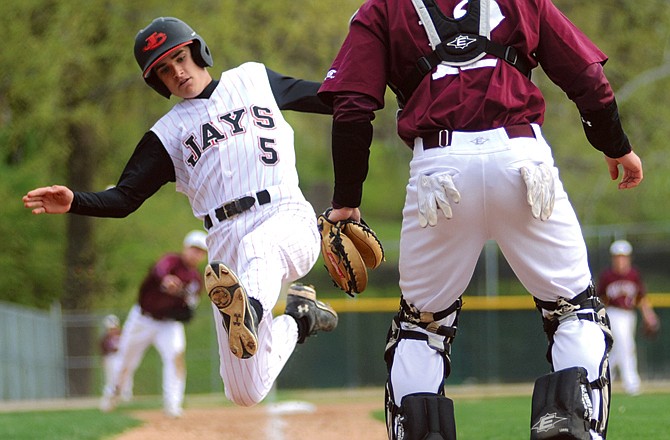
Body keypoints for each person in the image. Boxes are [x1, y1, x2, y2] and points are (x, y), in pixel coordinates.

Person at [318, 1, 643, 439]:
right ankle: (567, 417)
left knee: (421, 327)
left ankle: (421, 432)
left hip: (439, 170)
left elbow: (353, 108)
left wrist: (346, 199)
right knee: (574, 311)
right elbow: (586, 76)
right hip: (522, 160)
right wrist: (614, 143)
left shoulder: (383, 8)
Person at [23, 17, 338, 408]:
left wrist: (387, 85)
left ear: (198, 51)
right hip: (224, 244)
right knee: (245, 392)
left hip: (284, 215)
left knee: (261, 245)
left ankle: (251, 310)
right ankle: (300, 317)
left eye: (179, 57)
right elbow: (125, 198)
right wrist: (76, 200)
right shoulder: (168, 132)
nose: (177, 71)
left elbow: (330, 96)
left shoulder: (253, 80)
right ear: (158, 82)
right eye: (164, 70)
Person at [99, 230, 208, 417]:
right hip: (142, 319)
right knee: (126, 360)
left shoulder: (196, 280)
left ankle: (173, 404)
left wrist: (185, 305)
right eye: (193, 248)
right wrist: (167, 279)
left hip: (168, 324)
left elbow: (190, 306)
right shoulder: (171, 261)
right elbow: (159, 270)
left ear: (204, 255)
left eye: (200, 251)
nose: (196, 254)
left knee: (175, 358)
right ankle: (113, 393)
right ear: (185, 247)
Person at [597, 239, 660, 396]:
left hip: (630, 315)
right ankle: (631, 382)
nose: (620, 259)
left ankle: (603, 378)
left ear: (628, 257)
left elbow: (640, 298)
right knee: (627, 345)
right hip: (613, 313)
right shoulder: (607, 276)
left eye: (623, 256)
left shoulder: (634, 275)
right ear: (613, 258)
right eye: (618, 256)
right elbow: (600, 299)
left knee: (620, 349)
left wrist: (648, 315)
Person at [99, 314, 132, 403]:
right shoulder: (105, 337)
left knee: (125, 375)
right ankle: (109, 394)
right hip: (110, 357)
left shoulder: (123, 334)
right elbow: (103, 349)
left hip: (121, 356)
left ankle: (125, 394)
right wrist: (104, 359)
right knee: (111, 377)